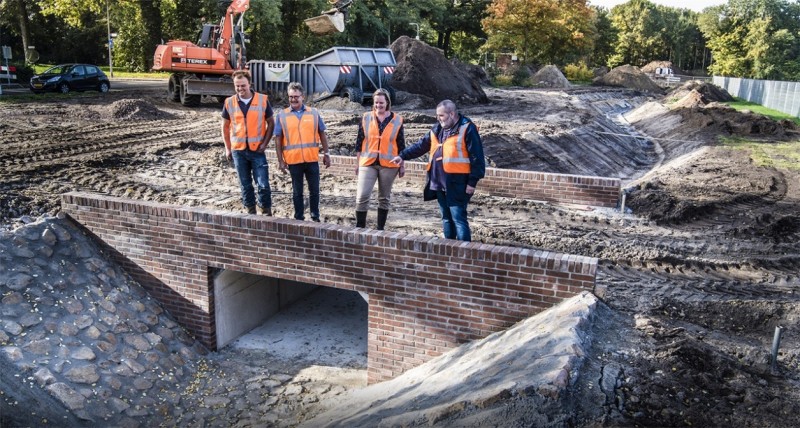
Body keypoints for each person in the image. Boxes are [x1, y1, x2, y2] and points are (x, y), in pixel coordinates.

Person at [391, 99, 485, 241]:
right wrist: (402, 156)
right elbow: (421, 146)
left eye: (441, 115)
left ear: (452, 114)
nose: (438, 118)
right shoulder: (437, 129)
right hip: (438, 182)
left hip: (457, 183)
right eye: (437, 115)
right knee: (446, 218)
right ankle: (449, 249)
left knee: (458, 218)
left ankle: (464, 253)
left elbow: (477, 157)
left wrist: (472, 182)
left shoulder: (467, 128)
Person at [273, 82, 331, 222]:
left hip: (311, 160)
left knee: (314, 191)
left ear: (302, 97)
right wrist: (280, 160)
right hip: (294, 161)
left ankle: (315, 216)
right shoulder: (282, 115)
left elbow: (322, 133)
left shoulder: (314, 113)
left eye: (296, 96)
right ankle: (299, 217)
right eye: (290, 97)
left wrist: (327, 153)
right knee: (297, 192)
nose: (293, 99)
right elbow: (277, 139)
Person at [221, 69, 275, 215]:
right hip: (238, 151)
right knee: (245, 185)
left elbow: (271, 123)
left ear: (249, 84)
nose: (240, 89)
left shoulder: (262, 100)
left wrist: (264, 144)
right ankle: (250, 213)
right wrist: (228, 148)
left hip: (257, 150)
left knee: (263, 185)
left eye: (243, 86)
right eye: (237, 86)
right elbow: (225, 127)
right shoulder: (229, 102)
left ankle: (266, 213)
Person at [354, 88, 406, 230]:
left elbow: (401, 145)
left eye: (381, 103)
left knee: (384, 198)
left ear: (387, 102)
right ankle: (360, 228)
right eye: (376, 102)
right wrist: (357, 163)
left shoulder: (397, 120)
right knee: (362, 196)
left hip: (389, 165)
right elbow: (359, 143)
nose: (378, 105)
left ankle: (380, 229)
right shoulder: (366, 117)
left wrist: (402, 165)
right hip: (367, 162)